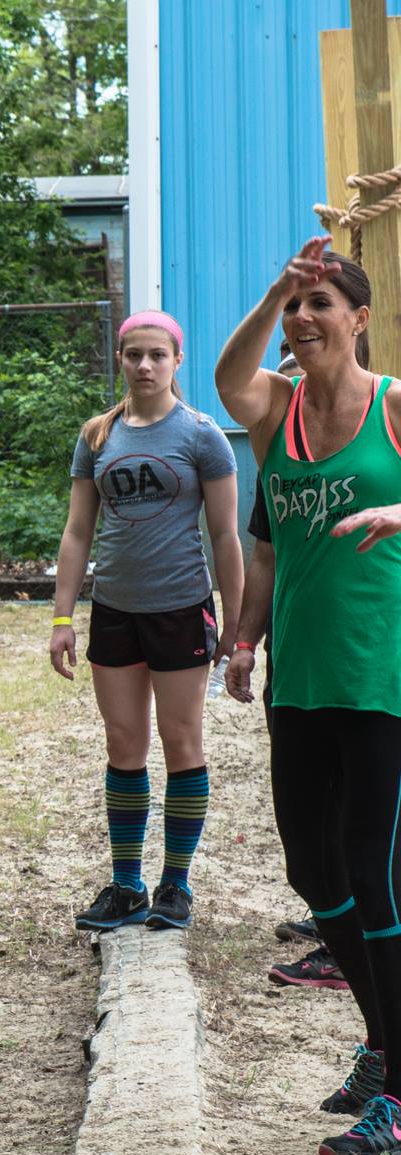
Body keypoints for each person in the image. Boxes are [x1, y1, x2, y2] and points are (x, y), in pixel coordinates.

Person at [216, 237, 401, 1155]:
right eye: (298, 306)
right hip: (302, 682)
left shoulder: (394, 405)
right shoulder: (276, 413)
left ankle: (398, 1093)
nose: (303, 319)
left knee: (376, 872)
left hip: (385, 679)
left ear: (360, 319)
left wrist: (400, 511)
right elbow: (225, 374)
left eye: (321, 303)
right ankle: (383, 1039)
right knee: (313, 871)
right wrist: (245, 639)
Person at [49, 311, 242, 935]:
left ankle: (176, 885)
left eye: (157, 355)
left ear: (177, 361)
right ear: (120, 359)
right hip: (115, 613)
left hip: (181, 610)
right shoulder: (98, 436)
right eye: (134, 355)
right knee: (123, 744)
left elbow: (225, 536)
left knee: (182, 742)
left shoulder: (203, 435)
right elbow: (79, 532)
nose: (144, 366)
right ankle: (127, 883)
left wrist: (234, 624)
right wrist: (61, 616)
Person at [229, 344, 346, 992]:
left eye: (304, 381)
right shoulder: (279, 465)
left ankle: (344, 940)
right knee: (312, 814)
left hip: (363, 668)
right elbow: (265, 556)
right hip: (294, 666)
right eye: (286, 381)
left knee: (353, 811)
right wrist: (246, 641)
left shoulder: (375, 453)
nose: (295, 396)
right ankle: (334, 920)